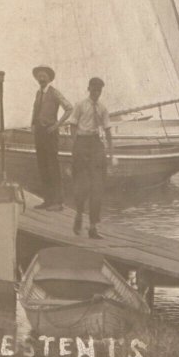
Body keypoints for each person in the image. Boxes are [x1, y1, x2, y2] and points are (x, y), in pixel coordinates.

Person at [69, 77, 114, 239]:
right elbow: (72, 126)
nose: (96, 93)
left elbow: (108, 131)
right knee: (82, 185)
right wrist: (75, 146)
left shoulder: (102, 108)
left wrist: (110, 153)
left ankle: (93, 227)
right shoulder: (80, 105)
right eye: (94, 89)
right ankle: (79, 215)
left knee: (98, 186)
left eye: (99, 90)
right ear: (88, 88)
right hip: (82, 143)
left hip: (96, 145)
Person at [31, 65, 73, 210]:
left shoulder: (54, 93)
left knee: (53, 167)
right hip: (39, 133)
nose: (41, 78)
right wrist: (33, 125)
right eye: (39, 76)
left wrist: (57, 125)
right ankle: (47, 200)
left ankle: (58, 202)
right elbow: (35, 110)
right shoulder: (38, 93)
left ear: (49, 78)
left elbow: (69, 108)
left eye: (44, 76)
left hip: (50, 132)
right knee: (42, 166)